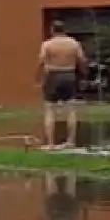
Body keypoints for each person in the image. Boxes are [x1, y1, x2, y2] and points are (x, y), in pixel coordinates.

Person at [37, 20, 87, 148]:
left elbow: (41, 61)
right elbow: (82, 60)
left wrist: (38, 77)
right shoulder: (74, 43)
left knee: (50, 110)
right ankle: (70, 141)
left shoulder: (47, 44)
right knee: (70, 110)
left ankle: (50, 144)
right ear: (64, 30)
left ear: (52, 30)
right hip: (69, 74)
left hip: (53, 75)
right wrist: (83, 73)